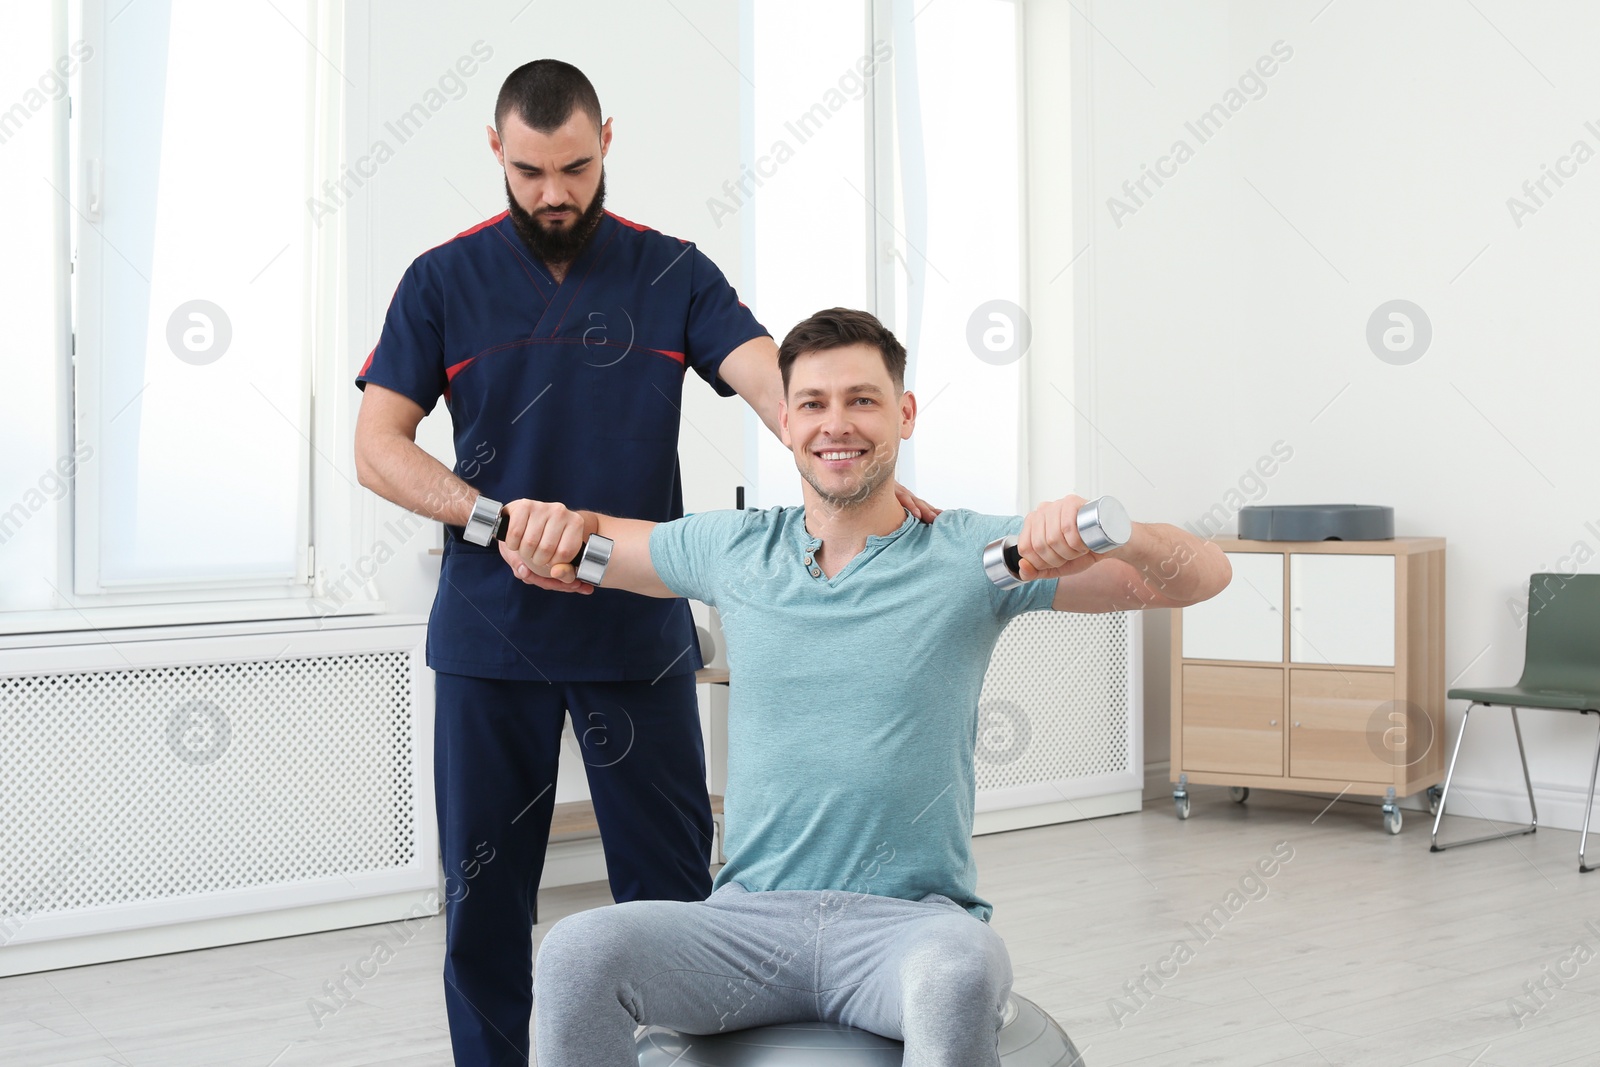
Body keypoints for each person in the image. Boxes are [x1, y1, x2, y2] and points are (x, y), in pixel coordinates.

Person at [352, 60, 938, 1067]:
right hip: (491, 637)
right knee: (484, 903)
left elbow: (773, 384)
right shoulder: (440, 281)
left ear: (607, 141)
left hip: (636, 632)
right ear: (497, 153)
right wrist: (491, 517)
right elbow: (378, 446)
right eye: (531, 170)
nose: (553, 192)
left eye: (574, 166)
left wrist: (861, 473)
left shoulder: (673, 273)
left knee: (674, 903)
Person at [499, 307, 1232, 1066]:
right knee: (577, 950)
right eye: (813, 403)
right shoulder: (734, 549)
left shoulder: (978, 557)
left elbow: (1201, 577)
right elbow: (586, 544)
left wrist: (1108, 527)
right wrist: (547, 530)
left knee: (958, 972)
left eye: (863, 399)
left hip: (907, 927)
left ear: (904, 413)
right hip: (748, 925)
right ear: (785, 421)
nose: (835, 424)